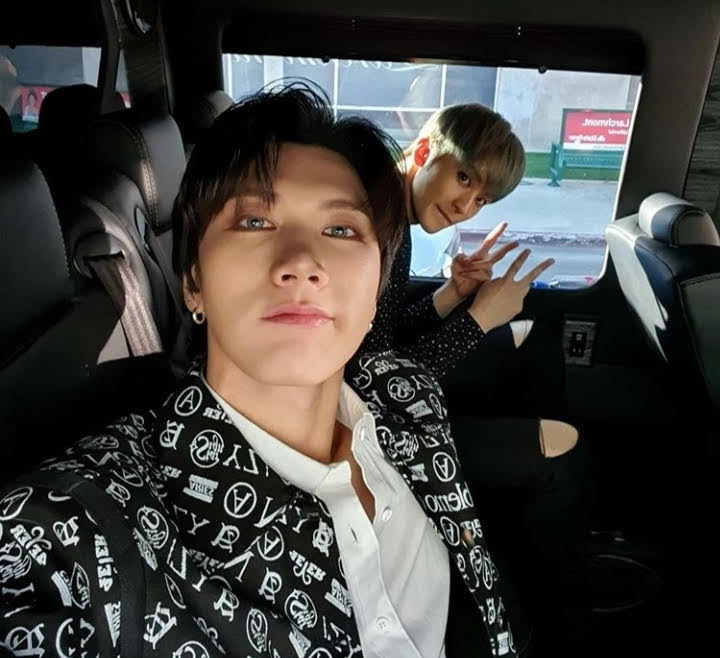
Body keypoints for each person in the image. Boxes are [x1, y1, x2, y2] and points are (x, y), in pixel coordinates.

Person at [0, 85, 552, 657]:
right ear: (193, 280)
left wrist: (453, 301)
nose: (303, 264)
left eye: (341, 231)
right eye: (255, 221)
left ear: (376, 288)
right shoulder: (68, 530)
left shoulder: (407, 393)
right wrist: (478, 320)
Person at [358, 103, 592, 654]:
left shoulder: (393, 218)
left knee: (532, 340)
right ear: (424, 151)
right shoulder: (373, 225)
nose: (466, 206)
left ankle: (502, 510)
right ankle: (551, 622)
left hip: (387, 400)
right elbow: (376, 387)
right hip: (376, 432)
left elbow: (380, 341)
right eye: (464, 178)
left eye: (482, 199)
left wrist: (452, 296)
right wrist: (479, 317)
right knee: (566, 455)